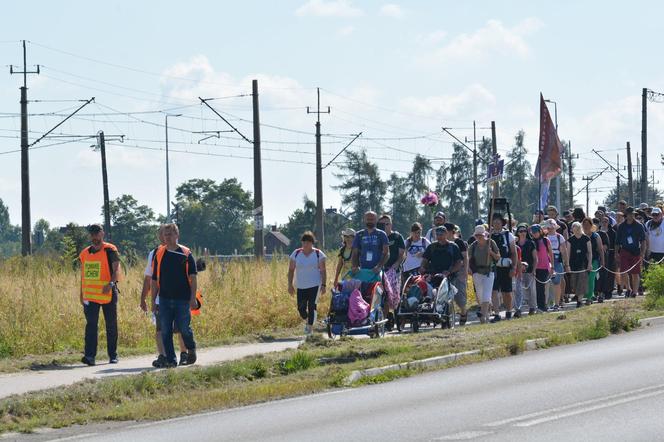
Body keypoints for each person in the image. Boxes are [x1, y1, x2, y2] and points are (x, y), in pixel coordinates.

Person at [141, 226, 189, 368]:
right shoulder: (154, 254)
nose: (165, 236)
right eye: (163, 234)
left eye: (168, 234)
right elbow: (149, 278)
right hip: (161, 299)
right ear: (159, 236)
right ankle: (163, 356)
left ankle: (184, 354)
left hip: (179, 298)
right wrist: (143, 298)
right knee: (160, 329)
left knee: (180, 328)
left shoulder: (183, 252)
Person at [151, 223, 198, 368]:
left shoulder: (186, 253)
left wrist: (192, 298)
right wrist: (153, 300)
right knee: (165, 330)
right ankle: (171, 360)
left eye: (170, 234)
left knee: (184, 329)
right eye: (165, 234)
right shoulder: (159, 254)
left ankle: (191, 349)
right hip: (164, 299)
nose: (168, 237)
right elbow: (154, 279)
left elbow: (193, 277)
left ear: (177, 235)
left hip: (182, 299)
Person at [79, 224, 120, 366]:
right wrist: (81, 293)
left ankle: (113, 355)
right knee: (91, 325)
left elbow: (116, 270)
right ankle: (90, 356)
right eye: (92, 234)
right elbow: (83, 275)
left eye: (97, 233)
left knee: (111, 325)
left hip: (108, 293)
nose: (94, 237)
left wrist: (111, 284)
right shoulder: (84, 253)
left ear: (102, 233)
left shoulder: (110, 250)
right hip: (90, 296)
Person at [288, 231, 327, 336]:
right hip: (300, 285)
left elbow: (323, 271)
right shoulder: (296, 254)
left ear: (312, 243)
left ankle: (309, 328)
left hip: (315, 284)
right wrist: (290, 285)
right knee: (301, 309)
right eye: (304, 242)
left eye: (308, 242)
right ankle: (309, 320)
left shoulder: (318, 254)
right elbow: (291, 270)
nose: (305, 244)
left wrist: (324, 285)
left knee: (311, 306)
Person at [467, 225, 500, 324]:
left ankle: (483, 316)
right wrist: (468, 268)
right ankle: (486, 312)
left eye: (480, 235)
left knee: (486, 294)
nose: (478, 237)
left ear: (484, 235)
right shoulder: (473, 246)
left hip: (489, 272)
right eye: (477, 235)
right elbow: (468, 258)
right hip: (477, 272)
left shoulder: (491, 243)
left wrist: (491, 253)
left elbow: (498, 257)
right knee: (480, 296)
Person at [420, 226, 463, 299]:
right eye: (437, 234)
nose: (439, 236)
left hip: (449, 277)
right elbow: (425, 260)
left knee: (446, 299)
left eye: (441, 234)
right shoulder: (431, 246)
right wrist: (422, 267)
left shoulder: (453, 247)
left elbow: (459, 263)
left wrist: (449, 271)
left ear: (446, 234)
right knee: (430, 295)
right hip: (433, 276)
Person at [378, 214, 405, 328]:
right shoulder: (378, 237)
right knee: (383, 296)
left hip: (394, 270)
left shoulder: (397, 237)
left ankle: (398, 317)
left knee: (394, 295)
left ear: (391, 224)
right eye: (382, 224)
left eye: (387, 223)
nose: (385, 226)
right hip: (381, 271)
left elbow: (402, 254)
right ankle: (385, 319)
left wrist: (396, 264)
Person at [489, 213, 517, 322]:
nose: (496, 224)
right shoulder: (489, 235)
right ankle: (496, 313)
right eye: (494, 222)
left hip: (506, 266)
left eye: (498, 222)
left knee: (507, 291)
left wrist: (513, 267)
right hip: (493, 267)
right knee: (494, 291)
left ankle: (509, 311)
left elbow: (513, 252)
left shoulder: (508, 235)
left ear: (502, 223)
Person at [616, 207, 647, 298]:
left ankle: (634, 292)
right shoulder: (621, 226)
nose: (631, 215)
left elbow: (643, 240)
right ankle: (628, 289)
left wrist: (642, 253)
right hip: (624, 251)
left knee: (635, 273)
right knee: (624, 271)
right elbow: (617, 241)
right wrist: (616, 253)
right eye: (629, 214)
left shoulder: (639, 226)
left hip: (635, 252)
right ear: (626, 215)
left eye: (633, 214)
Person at [445, 223, 469, 325]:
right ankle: (449, 315)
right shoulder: (443, 243)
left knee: (460, 296)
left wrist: (466, 272)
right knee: (447, 295)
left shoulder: (458, 242)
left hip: (460, 271)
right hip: (447, 271)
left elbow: (465, 257)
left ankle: (463, 312)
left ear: (451, 231)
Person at [567, 221, 592, 307]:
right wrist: (567, 265)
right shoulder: (570, 240)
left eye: (577, 228)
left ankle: (579, 301)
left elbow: (589, 252)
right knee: (574, 282)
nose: (575, 230)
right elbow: (568, 253)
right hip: (573, 264)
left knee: (581, 281)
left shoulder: (586, 239)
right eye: (573, 229)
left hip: (583, 263)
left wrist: (589, 264)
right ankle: (578, 297)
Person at [544, 219, 568, 310]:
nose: (550, 228)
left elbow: (564, 251)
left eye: (552, 227)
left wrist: (567, 264)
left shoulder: (559, 237)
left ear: (555, 227)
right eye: (549, 227)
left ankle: (557, 303)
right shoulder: (544, 237)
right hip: (546, 261)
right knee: (546, 283)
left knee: (557, 283)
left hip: (557, 261)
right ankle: (546, 304)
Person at [514, 223, 537, 316]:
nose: (523, 233)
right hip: (518, 271)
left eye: (524, 231)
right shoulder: (515, 244)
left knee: (531, 290)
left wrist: (534, 270)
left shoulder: (531, 243)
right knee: (518, 291)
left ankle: (532, 308)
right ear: (518, 233)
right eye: (521, 231)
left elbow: (535, 258)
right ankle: (518, 309)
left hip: (529, 270)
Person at [530, 224, 553, 312]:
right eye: (533, 232)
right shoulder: (532, 242)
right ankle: (539, 306)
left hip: (544, 267)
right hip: (535, 267)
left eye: (536, 232)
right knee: (536, 288)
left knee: (542, 287)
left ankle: (542, 306)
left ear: (540, 231)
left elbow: (550, 254)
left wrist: (552, 266)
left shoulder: (545, 240)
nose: (535, 234)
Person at [600, 214, 617, 300]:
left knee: (610, 273)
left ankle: (609, 291)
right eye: (603, 221)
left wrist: (615, 254)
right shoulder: (598, 232)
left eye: (606, 221)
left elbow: (615, 243)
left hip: (610, 254)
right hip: (601, 255)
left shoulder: (613, 232)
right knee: (602, 274)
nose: (604, 223)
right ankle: (601, 291)